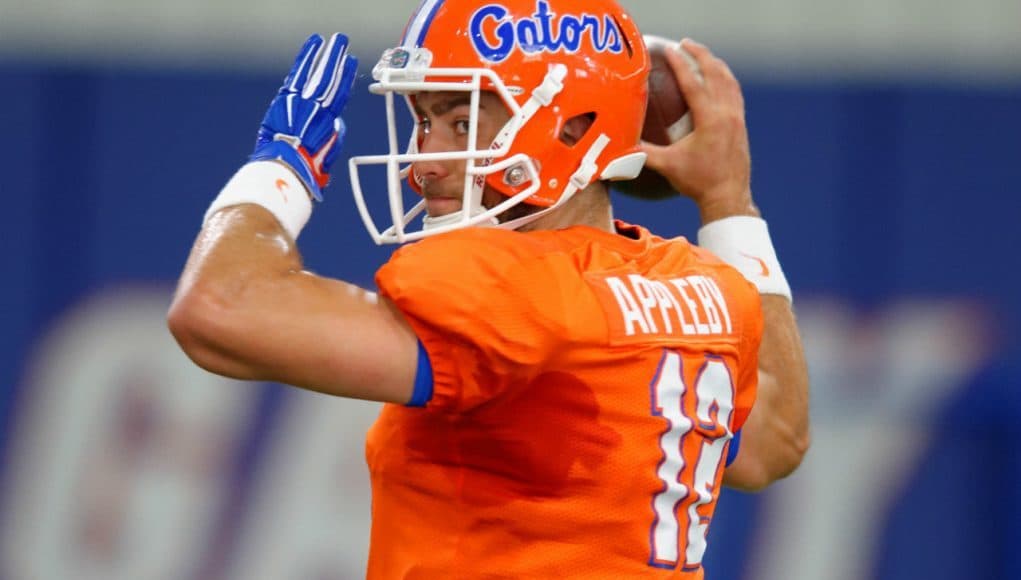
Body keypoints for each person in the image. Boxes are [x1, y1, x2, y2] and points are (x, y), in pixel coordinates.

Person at [168, 0, 810, 577]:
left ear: (572, 127)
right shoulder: (709, 288)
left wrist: (280, 168)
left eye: (462, 120)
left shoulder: (509, 286)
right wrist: (730, 203)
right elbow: (773, 442)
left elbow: (219, 308)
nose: (424, 163)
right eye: (423, 120)